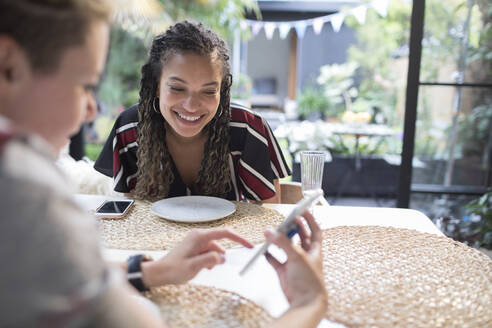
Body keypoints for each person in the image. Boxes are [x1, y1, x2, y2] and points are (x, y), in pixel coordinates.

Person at [0, 1, 327, 327]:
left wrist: (155, 271)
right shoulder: (29, 196)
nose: (90, 111)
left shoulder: (22, 186)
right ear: (8, 64)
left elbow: (64, 276)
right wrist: (310, 303)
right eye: (84, 85)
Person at [94, 21, 291, 203]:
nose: (191, 106)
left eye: (208, 91)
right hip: (156, 241)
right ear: (156, 86)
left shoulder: (248, 129)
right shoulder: (130, 129)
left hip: (232, 240)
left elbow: (268, 217)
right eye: (178, 88)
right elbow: (134, 217)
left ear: (221, 91)